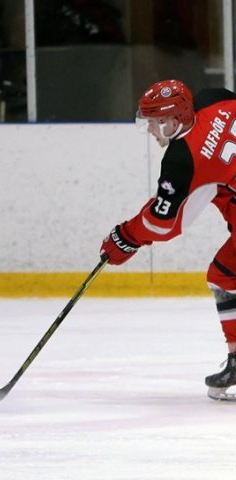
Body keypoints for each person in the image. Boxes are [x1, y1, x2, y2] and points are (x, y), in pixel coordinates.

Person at [100, 79, 236, 401]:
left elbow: (163, 224)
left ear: (175, 120)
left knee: (225, 275)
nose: (150, 131)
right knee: (227, 272)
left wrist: (126, 237)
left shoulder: (182, 160)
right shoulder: (213, 99)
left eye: (155, 123)